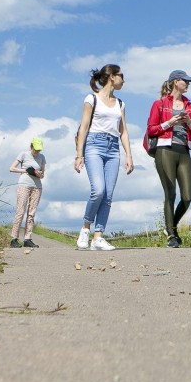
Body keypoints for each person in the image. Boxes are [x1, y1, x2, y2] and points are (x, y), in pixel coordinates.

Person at [73, 64, 134, 252]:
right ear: (112, 77)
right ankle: (85, 228)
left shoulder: (120, 103)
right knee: (98, 190)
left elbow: (123, 131)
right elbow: (83, 127)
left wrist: (129, 155)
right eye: (121, 76)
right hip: (94, 145)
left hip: (113, 147)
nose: (124, 80)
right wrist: (79, 154)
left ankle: (98, 236)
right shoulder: (91, 99)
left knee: (108, 196)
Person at [146, 69, 191, 248]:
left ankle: (172, 226)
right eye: (186, 81)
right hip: (164, 149)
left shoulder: (190, 106)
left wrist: (187, 121)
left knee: (187, 196)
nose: (188, 84)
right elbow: (151, 129)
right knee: (170, 193)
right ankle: (171, 235)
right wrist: (170, 122)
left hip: (183, 150)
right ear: (176, 82)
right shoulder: (160, 104)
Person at [9, 137, 46, 248]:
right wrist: (26, 170)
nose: (37, 152)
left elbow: (43, 174)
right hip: (24, 185)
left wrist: (39, 174)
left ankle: (27, 238)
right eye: (35, 149)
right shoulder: (23, 154)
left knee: (31, 213)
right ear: (31, 146)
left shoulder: (42, 157)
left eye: (39, 150)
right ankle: (14, 238)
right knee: (20, 211)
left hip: (37, 186)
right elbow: (12, 168)